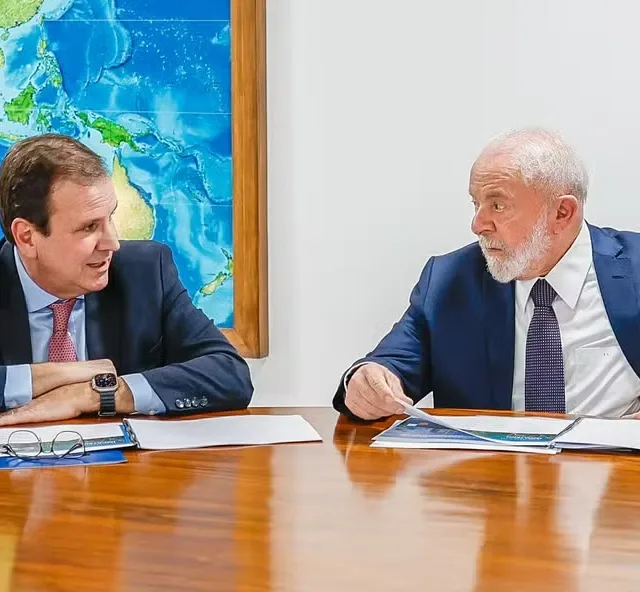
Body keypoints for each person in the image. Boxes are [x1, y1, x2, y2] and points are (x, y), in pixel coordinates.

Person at [334, 127, 640, 421]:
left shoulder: (634, 268)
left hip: (614, 468)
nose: (478, 225)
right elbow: (388, 366)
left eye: (497, 204)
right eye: (476, 203)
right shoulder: (449, 280)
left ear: (562, 213)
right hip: (492, 469)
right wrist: (368, 382)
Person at [0, 133, 253, 425]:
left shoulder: (145, 273)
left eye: (110, 218)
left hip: (120, 467)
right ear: (27, 237)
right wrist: (51, 376)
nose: (112, 243)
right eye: (89, 227)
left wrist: (102, 392)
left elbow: (230, 373)